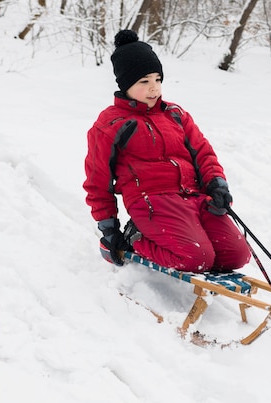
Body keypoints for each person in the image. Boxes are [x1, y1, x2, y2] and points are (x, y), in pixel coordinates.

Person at [83, 29, 251, 273]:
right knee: (196, 259)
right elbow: (98, 182)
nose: (154, 88)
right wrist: (109, 230)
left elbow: (203, 154)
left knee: (236, 255)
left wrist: (217, 184)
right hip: (152, 202)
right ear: (125, 84)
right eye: (144, 82)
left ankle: (189, 237)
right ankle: (135, 236)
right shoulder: (111, 125)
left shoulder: (175, 114)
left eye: (157, 80)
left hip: (193, 197)